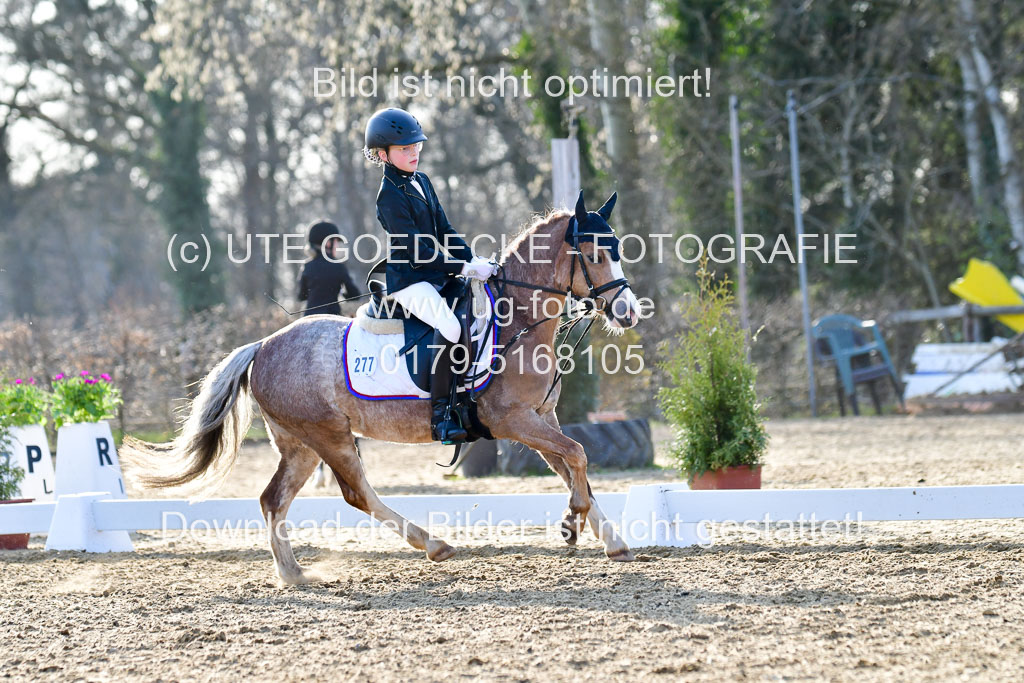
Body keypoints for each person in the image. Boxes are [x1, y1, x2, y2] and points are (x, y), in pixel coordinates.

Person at [363, 107, 496, 443]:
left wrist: (474, 258)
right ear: (383, 154)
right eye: (404, 149)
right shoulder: (388, 196)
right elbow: (419, 251)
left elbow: (446, 231)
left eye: (415, 147)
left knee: (472, 314)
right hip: (410, 280)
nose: (413, 154)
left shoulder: (422, 181)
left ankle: (466, 397)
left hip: (437, 274)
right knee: (449, 325)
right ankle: (440, 415)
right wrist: (464, 268)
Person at [297, 220, 361, 317]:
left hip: (309, 319)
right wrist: (343, 293)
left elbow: (301, 296)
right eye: (336, 242)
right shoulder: (338, 266)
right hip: (332, 318)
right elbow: (355, 295)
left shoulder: (307, 266)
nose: (337, 246)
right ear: (328, 243)